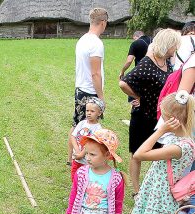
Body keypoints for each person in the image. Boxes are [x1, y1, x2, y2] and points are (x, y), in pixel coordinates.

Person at [119, 28, 181, 196]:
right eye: (174, 45)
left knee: (160, 151)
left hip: (158, 116)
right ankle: (137, 191)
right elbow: (124, 83)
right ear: (167, 45)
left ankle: (156, 187)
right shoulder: (147, 63)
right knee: (137, 153)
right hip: (143, 116)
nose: (175, 49)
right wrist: (136, 96)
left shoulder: (165, 61)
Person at [67, 7, 108, 166]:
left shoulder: (83, 39)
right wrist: (101, 98)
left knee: (76, 125)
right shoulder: (96, 44)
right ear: (103, 23)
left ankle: (71, 157)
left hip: (80, 89)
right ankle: (81, 159)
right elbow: (95, 73)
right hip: (90, 92)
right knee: (88, 129)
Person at [70, 98, 104, 180]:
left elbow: (91, 144)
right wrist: (77, 150)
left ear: (99, 113)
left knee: (85, 180)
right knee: (74, 178)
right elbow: (73, 136)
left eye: (92, 111)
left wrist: (81, 154)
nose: (89, 113)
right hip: (76, 159)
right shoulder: (82, 123)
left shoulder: (98, 129)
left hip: (87, 162)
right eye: (87, 110)